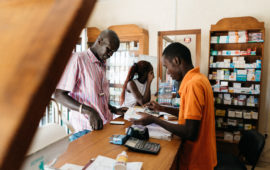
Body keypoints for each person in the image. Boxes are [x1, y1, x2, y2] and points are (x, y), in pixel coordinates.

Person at [132, 42, 217, 170]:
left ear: (176, 60)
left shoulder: (192, 85)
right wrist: (161, 108)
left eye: (167, 66)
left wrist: (153, 119)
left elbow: (189, 132)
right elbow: (190, 115)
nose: (168, 72)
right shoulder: (200, 78)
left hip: (196, 160)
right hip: (205, 155)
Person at [55, 29, 127, 132]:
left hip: (105, 124)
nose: (111, 54)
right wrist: (89, 111)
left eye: (113, 52)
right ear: (99, 41)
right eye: (109, 49)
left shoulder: (102, 64)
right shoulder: (78, 59)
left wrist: (114, 109)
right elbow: (59, 95)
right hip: (86, 128)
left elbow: (98, 98)